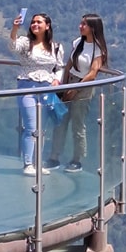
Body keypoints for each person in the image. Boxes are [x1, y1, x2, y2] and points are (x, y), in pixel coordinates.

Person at [49, 13, 108, 173]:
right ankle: (54, 156)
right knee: (61, 120)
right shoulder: (78, 42)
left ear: (93, 28)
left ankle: (77, 159)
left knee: (77, 123)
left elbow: (92, 73)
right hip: (70, 81)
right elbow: (69, 65)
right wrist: (65, 85)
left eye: (84, 24)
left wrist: (75, 88)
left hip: (84, 87)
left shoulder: (97, 49)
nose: (80, 26)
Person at [10, 12, 65, 176]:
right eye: (33, 22)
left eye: (39, 22)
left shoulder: (56, 47)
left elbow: (60, 67)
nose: (35, 25)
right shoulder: (26, 43)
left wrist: (57, 80)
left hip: (47, 89)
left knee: (42, 128)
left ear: (47, 26)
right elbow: (12, 47)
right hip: (27, 86)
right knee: (30, 127)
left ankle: (37, 163)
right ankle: (28, 164)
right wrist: (14, 29)